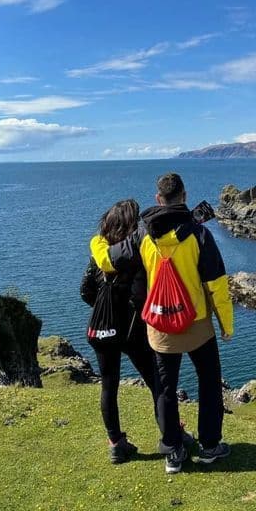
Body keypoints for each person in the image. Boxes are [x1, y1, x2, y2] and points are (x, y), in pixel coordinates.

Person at [90, 173, 234, 474]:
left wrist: (97, 240)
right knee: (208, 383)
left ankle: (173, 453)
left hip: (159, 325)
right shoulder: (199, 234)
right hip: (196, 323)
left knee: (166, 388)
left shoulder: (142, 235)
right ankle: (209, 447)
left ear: (159, 199)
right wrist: (226, 324)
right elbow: (217, 284)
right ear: (184, 195)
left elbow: (106, 261)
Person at [80, 199, 159, 464]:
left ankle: (116, 444)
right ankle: (173, 435)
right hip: (133, 328)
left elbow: (85, 291)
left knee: (108, 385)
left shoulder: (100, 252)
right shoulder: (136, 251)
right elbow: (144, 293)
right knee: (156, 383)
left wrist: (106, 309)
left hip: (103, 328)